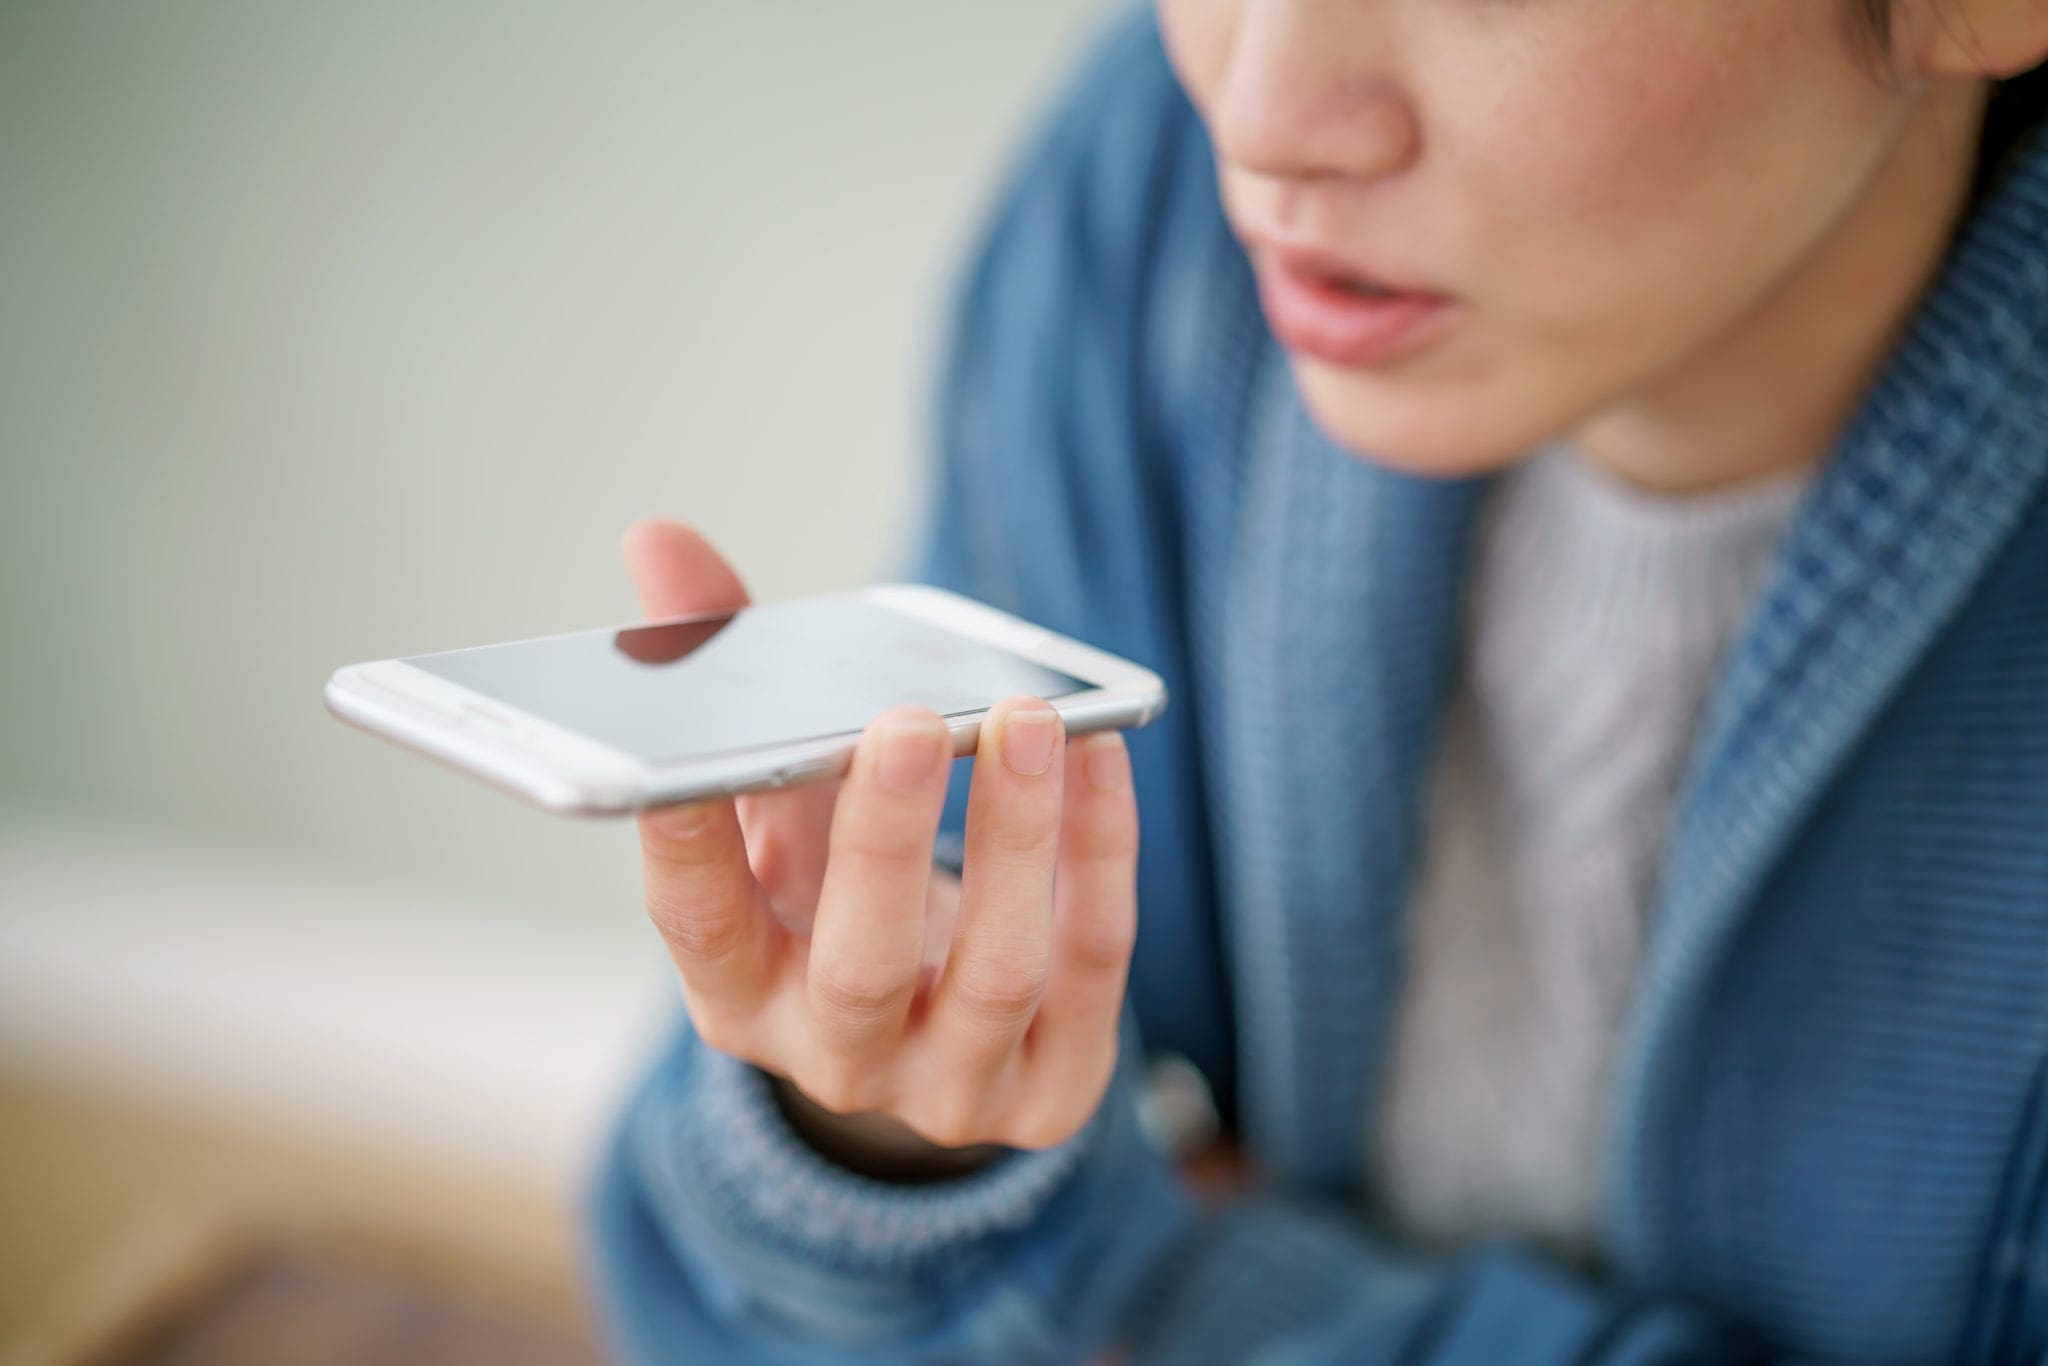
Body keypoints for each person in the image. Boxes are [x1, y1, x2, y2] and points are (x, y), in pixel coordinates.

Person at [586, 1, 2048, 1360]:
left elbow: (1059, 1287)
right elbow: (678, 1252)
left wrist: (1154, 1276)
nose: (1266, 114)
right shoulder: (1152, 206)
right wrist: (903, 1150)